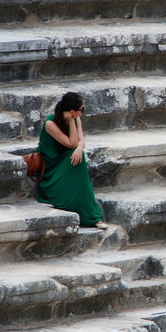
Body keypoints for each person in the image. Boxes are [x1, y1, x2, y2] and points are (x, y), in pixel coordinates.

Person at [36, 92, 108, 230]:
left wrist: (79, 148)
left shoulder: (76, 119)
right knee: (76, 157)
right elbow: (71, 143)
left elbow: (80, 142)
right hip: (53, 165)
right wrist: (70, 122)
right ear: (72, 111)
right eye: (82, 110)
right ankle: (92, 217)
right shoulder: (50, 123)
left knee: (78, 157)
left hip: (67, 159)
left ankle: (93, 216)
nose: (82, 113)